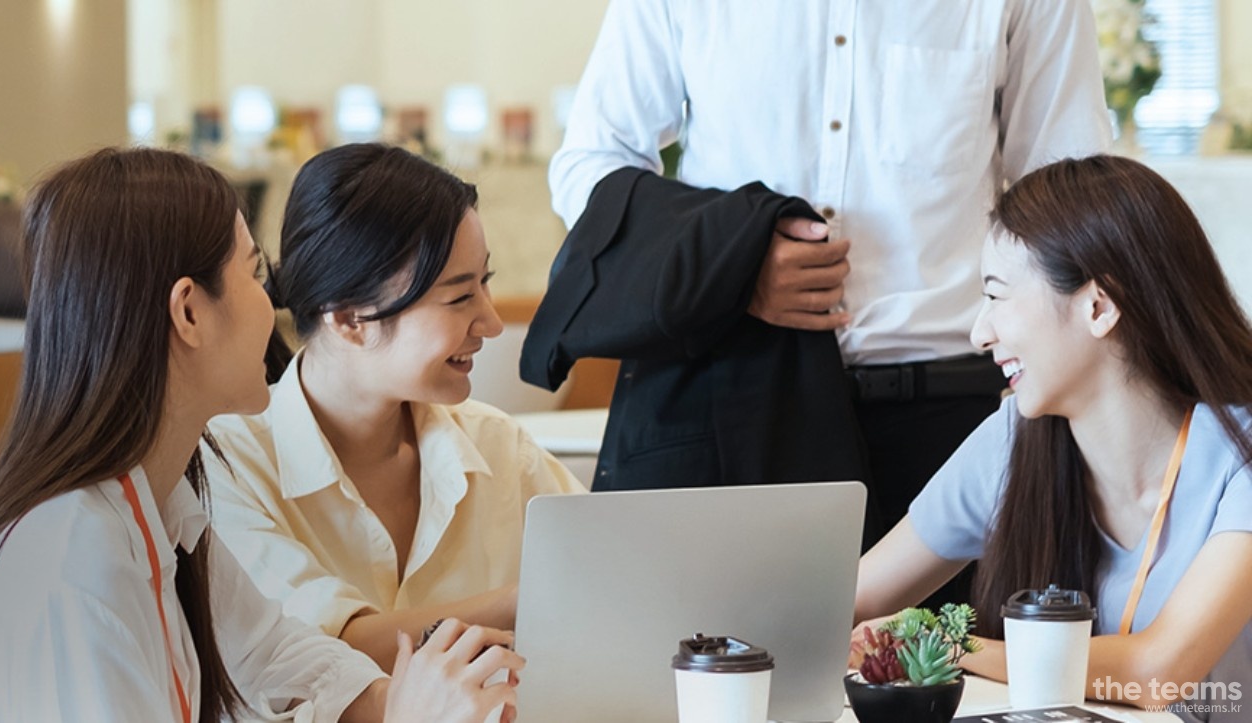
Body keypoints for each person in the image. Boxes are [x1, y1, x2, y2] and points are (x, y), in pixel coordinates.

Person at [0, 148, 523, 723]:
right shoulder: (76, 563)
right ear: (189, 312)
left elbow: (273, 651)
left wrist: (409, 700)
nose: (276, 304)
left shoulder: (167, 507)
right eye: (253, 273)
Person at [549, 0, 1112, 558]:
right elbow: (589, 168)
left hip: (948, 421)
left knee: (957, 649)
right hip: (731, 398)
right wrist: (733, 266)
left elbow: (1071, 194)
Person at [853, 155, 1252, 719]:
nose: (979, 332)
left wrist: (946, 643)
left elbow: (1158, 672)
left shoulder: (1240, 449)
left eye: (996, 295)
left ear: (1098, 305)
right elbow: (851, 604)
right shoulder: (1014, 441)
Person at [203, 143, 586, 673]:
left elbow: (613, 567)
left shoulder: (499, 447)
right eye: (458, 298)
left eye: (485, 285)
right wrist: (524, 601)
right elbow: (316, 653)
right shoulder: (228, 466)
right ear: (348, 318)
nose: (492, 323)